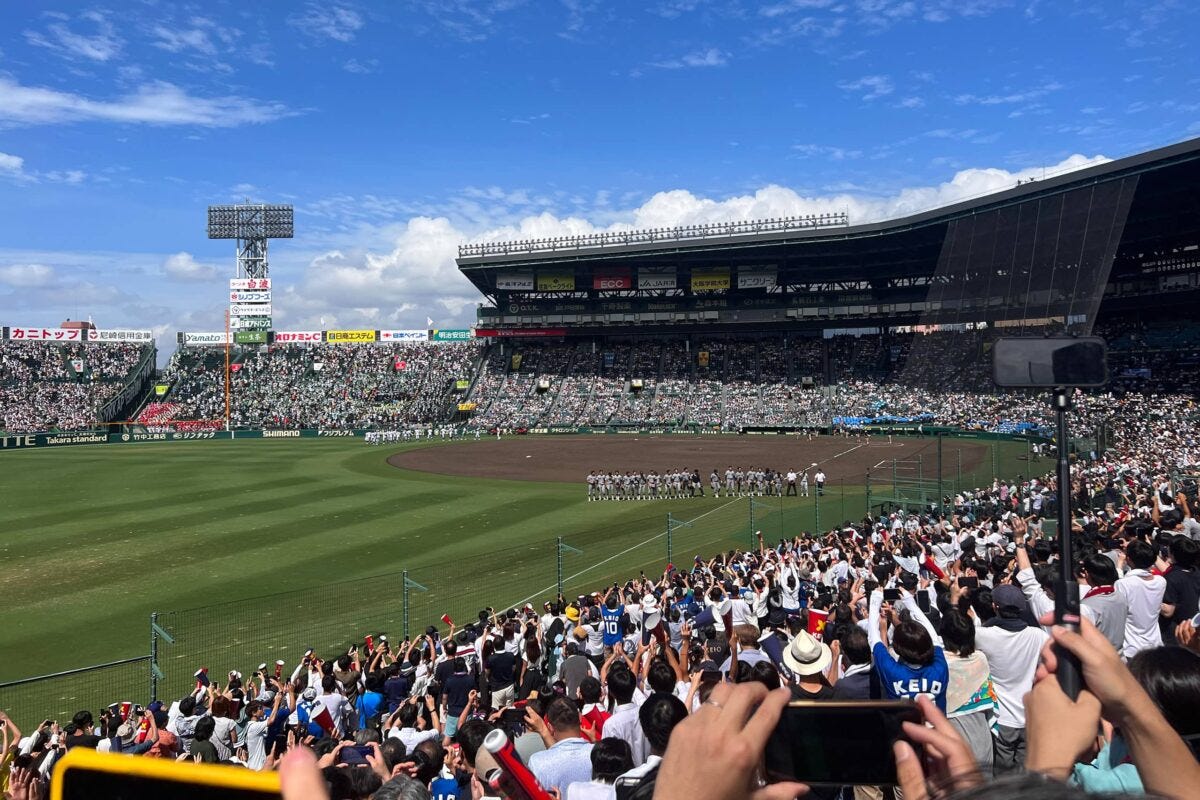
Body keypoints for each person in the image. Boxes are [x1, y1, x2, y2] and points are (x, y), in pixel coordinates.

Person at [972, 583, 1049, 774]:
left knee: (1003, 777)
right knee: (1024, 775)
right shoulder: (1038, 635)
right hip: (1030, 716)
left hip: (1001, 718)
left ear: (995, 606)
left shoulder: (984, 635)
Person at [525, 697, 594, 799]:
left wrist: (544, 731)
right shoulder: (599, 755)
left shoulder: (537, 762)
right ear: (580, 718)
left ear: (550, 728)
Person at [1116, 540, 1167, 659]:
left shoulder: (1124, 584)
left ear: (1129, 559)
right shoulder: (1161, 581)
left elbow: (1118, 605)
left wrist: (1119, 566)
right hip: (1155, 643)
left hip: (1131, 646)